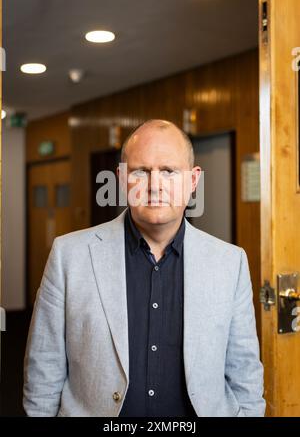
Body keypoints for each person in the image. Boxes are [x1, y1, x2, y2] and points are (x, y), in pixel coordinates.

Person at [23, 119, 265, 417]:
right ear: (122, 179)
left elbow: (245, 374)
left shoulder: (230, 263)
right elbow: (43, 371)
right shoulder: (69, 256)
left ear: (193, 181)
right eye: (141, 171)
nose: (155, 185)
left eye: (169, 171)